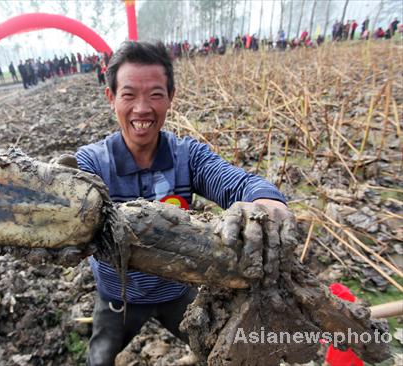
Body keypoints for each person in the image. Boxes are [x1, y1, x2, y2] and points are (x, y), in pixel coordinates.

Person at [75, 41, 292, 366]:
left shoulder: (187, 156)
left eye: (156, 94)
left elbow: (240, 183)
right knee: (100, 358)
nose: (142, 108)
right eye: (129, 94)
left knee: (224, 354)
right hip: (117, 298)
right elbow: (68, 191)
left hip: (178, 292)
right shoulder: (93, 163)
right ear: (111, 98)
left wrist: (267, 204)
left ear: (171, 98)